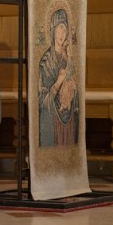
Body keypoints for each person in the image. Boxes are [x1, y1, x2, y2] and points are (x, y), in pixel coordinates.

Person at [38, 8, 79, 147]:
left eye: (65, 29)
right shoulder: (46, 61)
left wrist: (72, 86)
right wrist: (59, 81)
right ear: (53, 30)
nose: (63, 33)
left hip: (69, 121)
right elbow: (42, 100)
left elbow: (76, 90)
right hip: (53, 120)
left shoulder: (69, 59)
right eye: (60, 28)